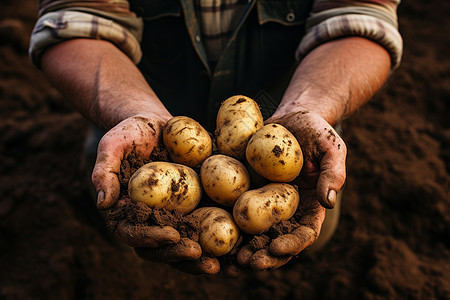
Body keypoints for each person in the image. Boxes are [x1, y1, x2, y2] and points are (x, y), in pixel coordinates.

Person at [29, 0, 402, 275]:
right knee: (126, 219)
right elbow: (75, 19)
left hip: (291, 112)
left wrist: (312, 108)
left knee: (312, 232)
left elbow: (360, 16)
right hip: (140, 125)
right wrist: (130, 113)